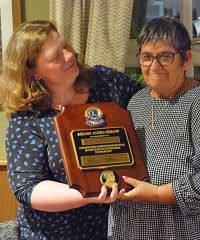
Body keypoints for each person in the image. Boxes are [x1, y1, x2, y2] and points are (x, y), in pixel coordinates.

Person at [0, 20, 143, 240]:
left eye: (66, 46)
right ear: (33, 72)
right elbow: (28, 188)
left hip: (113, 229)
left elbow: (147, 103)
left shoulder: (105, 82)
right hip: (53, 233)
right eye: (56, 57)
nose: (69, 56)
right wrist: (88, 192)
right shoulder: (27, 118)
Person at [108, 17, 200, 240]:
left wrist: (158, 194)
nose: (154, 66)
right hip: (126, 227)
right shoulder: (136, 102)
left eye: (165, 56)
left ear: (185, 59)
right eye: (147, 57)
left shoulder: (196, 101)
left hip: (177, 229)